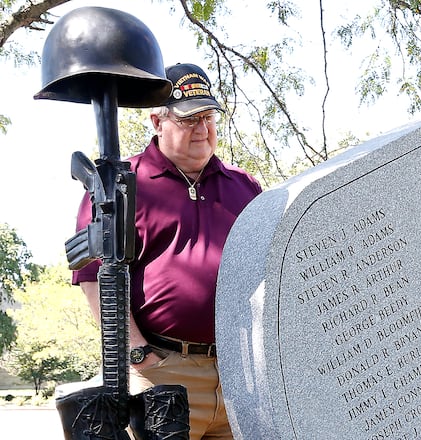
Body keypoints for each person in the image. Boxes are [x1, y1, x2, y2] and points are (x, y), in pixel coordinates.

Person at [72, 62, 262, 439]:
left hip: (240, 375)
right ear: (158, 122)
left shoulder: (245, 187)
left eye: (208, 117)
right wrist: (139, 353)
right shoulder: (121, 186)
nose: (202, 129)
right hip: (164, 371)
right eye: (189, 119)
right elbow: (94, 280)